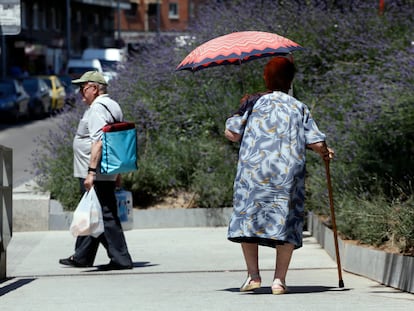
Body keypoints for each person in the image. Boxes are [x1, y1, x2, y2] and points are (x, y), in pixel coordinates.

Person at [224, 56, 334, 294]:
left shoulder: (252, 102)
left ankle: (253, 276)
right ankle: (279, 281)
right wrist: (325, 152)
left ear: (266, 77)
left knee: (248, 219)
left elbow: (232, 133)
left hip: (253, 172)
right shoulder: (298, 106)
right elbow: (316, 142)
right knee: (287, 219)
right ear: (291, 80)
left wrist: (239, 112)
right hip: (287, 175)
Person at [59, 71, 133, 270]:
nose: (81, 93)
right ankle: (82, 256)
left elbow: (99, 141)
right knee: (94, 211)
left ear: (94, 88)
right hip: (106, 170)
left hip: (95, 172)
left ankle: (121, 258)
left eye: (83, 89)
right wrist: (117, 174)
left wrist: (91, 172)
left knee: (104, 214)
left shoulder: (97, 109)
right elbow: (116, 141)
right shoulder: (112, 105)